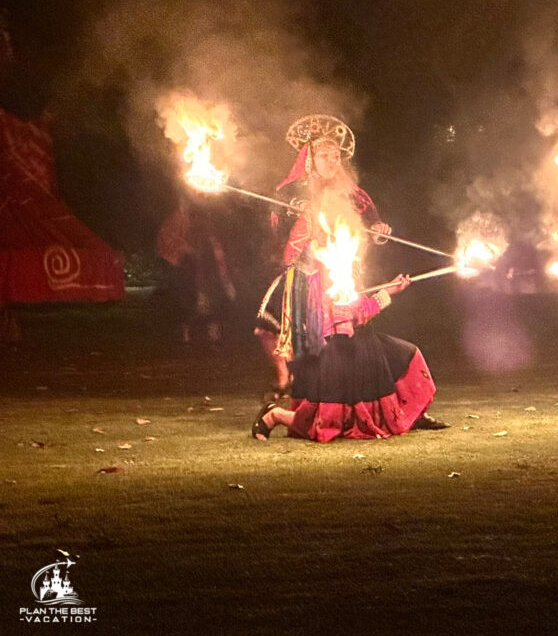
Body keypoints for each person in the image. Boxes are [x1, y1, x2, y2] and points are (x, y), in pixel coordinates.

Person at [254, 115, 391, 400]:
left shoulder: (354, 194)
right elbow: (275, 233)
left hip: (338, 275)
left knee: (334, 336)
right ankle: (284, 378)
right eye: (324, 155)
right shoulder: (288, 192)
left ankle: (332, 391)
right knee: (266, 327)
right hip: (299, 272)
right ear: (309, 158)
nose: (332, 161)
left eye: (336, 156)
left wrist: (379, 231)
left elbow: (374, 228)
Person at [251, 267, 448, 439]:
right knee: (330, 422)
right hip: (335, 353)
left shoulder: (344, 273)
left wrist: (389, 290)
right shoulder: (317, 284)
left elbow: (362, 310)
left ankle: (415, 416)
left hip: (361, 346)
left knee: (409, 355)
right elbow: (335, 324)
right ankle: (273, 415)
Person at [155, 195, 236, 346]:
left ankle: (213, 331)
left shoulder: (205, 222)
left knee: (214, 296)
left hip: (208, 266)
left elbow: (216, 244)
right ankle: (186, 332)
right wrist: (186, 250)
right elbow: (170, 240)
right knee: (188, 297)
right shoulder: (176, 220)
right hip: (188, 266)